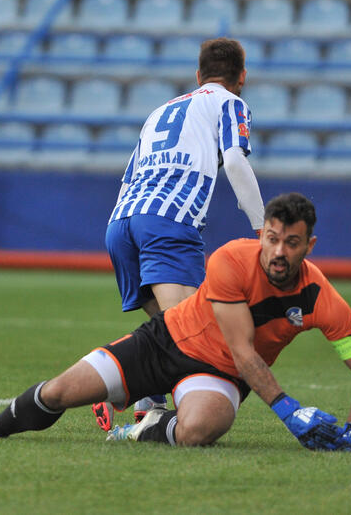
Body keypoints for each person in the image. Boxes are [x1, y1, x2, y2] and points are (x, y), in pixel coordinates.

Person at [0, 193, 351, 451]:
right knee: (61, 392)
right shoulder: (230, 260)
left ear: (310, 245)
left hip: (219, 374)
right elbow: (244, 350)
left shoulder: (321, 295)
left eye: (292, 242)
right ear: (260, 234)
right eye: (272, 238)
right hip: (164, 343)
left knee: (199, 431)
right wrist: (290, 411)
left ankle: (145, 426)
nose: (279, 251)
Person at [94, 37, 264, 430]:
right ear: (241, 78)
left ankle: (148, 397)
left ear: (197, 74)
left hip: (121, 222)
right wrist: (261, 225)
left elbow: (130, 172)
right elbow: (236, 159)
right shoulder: (230, 103)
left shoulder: (160, 110)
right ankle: (115, 389)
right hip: (167, 221)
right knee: (196, 331)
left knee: (169, 328)